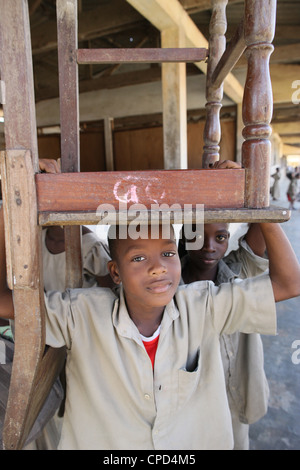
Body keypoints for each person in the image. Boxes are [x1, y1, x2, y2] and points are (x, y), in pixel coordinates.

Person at [0, 166, 300, 450]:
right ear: (114, 272)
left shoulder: (203, 306)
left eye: (168, 252)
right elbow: (5, 302)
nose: (158, 268)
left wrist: (257, 201)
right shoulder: (80, 314)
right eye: (139, 259)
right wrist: (9, 203)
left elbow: (289, 284)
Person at [179, 222, 269, 449]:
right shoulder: (167, 285)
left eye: (220, 238)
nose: (209, 247)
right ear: (184, 237)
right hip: (187, 407)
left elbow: (265, 220)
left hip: (233, 400)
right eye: (198, 236)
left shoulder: (241, 273)